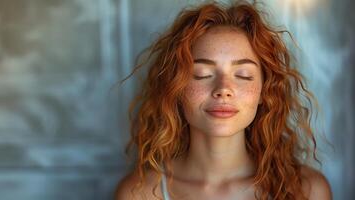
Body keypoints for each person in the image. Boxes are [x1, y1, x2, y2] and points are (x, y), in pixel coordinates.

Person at [115, 1, 332, 199]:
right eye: (202, 74)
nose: (223, 89)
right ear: (176, 88)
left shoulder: (307, 190)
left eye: (243, 76)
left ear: (264, 92)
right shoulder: (139, 194)